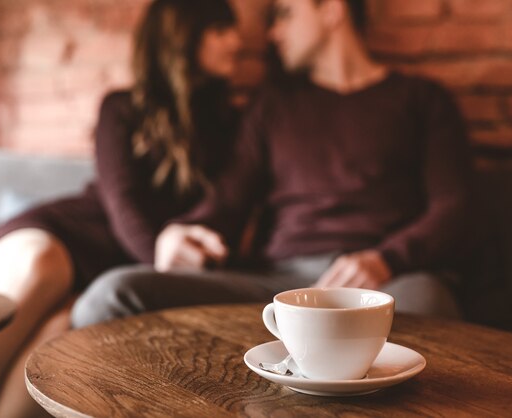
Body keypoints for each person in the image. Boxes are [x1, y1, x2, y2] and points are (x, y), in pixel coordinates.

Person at [71, 0, 473, 328]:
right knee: (112, 294)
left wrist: (386, 259)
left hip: (387, 280)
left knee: (428, 305)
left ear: (332, 10)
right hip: (281, 281)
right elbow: (229, 200)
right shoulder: (272, 105)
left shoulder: (423, 101)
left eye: (284, 14)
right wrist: (183, 234)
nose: (271, 34)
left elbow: (453, 208)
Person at [0, 1, 242, 417]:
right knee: (43, 265)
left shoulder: (231, 125)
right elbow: (122, 204)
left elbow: (222, 208)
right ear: (181, 36)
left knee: (64, 333)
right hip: (57, 233)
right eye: (220, 30)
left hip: (100, 273)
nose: (236, 41)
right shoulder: (122, 108)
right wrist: (158, 261)